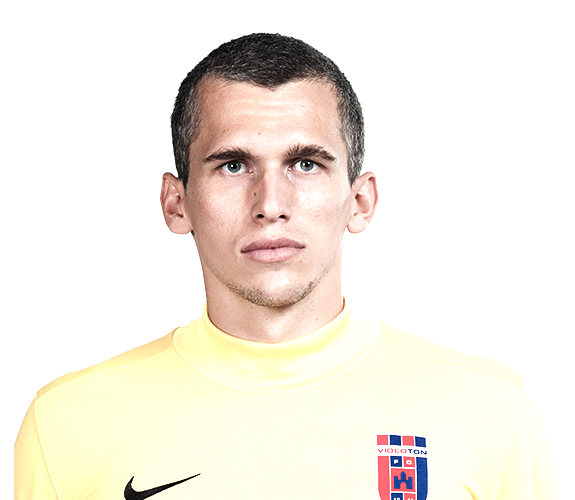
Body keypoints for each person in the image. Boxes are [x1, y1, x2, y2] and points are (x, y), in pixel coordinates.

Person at [15, 33, 557, 500]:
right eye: (233, 165)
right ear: (176, 203)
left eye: (305, 163)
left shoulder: (492, 411)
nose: (270, 203)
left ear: (360, 200)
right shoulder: (67, 421)